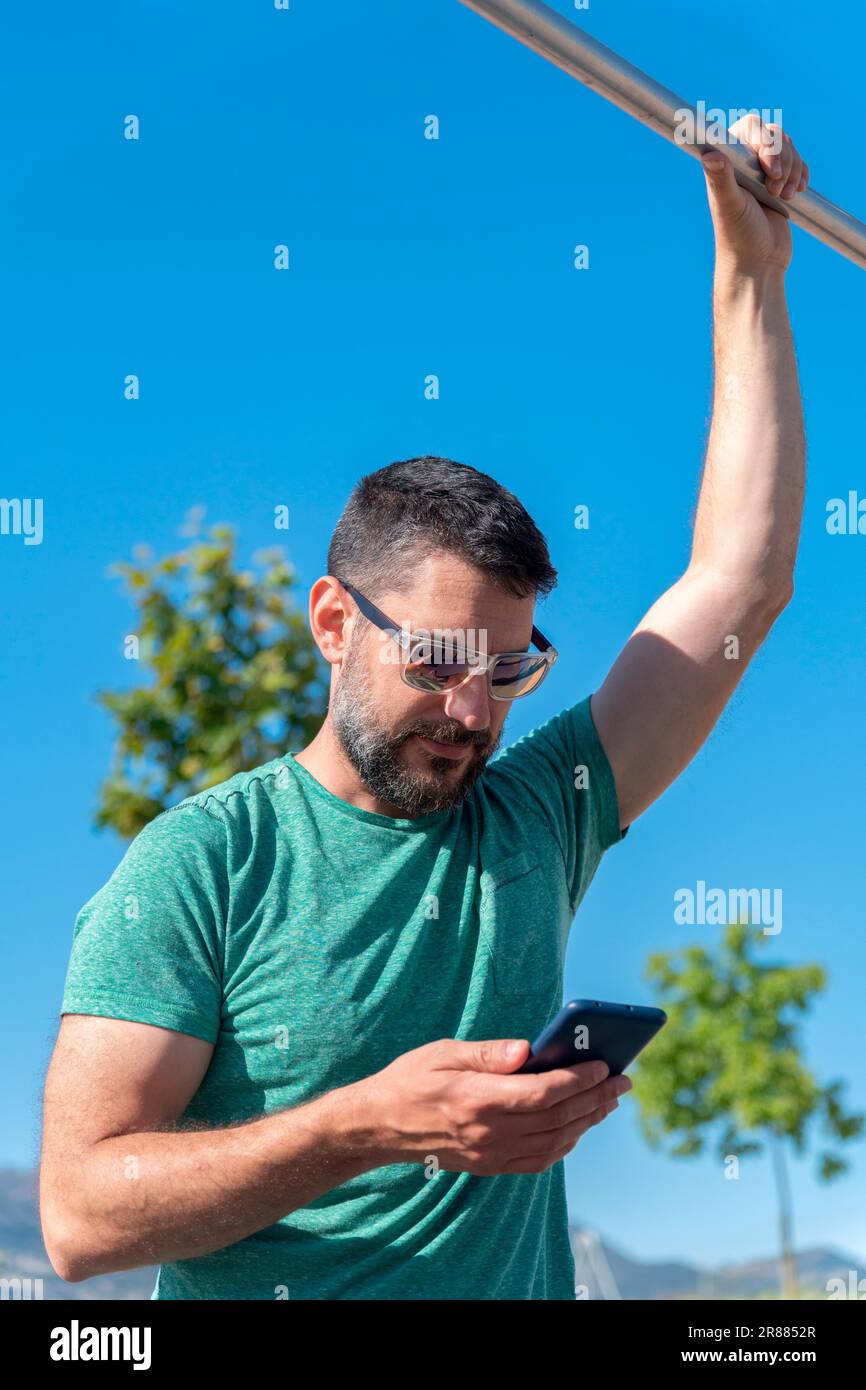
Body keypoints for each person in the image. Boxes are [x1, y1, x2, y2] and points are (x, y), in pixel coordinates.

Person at [40, 120, 808, 1300]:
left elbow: (737, 586)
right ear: (335, 623)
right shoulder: (200, 865)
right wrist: (364, 1125)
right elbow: (80, 1218)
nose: (470, 710)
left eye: (506, 671)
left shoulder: (538, 816)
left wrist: (749, 275)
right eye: (440, 659)